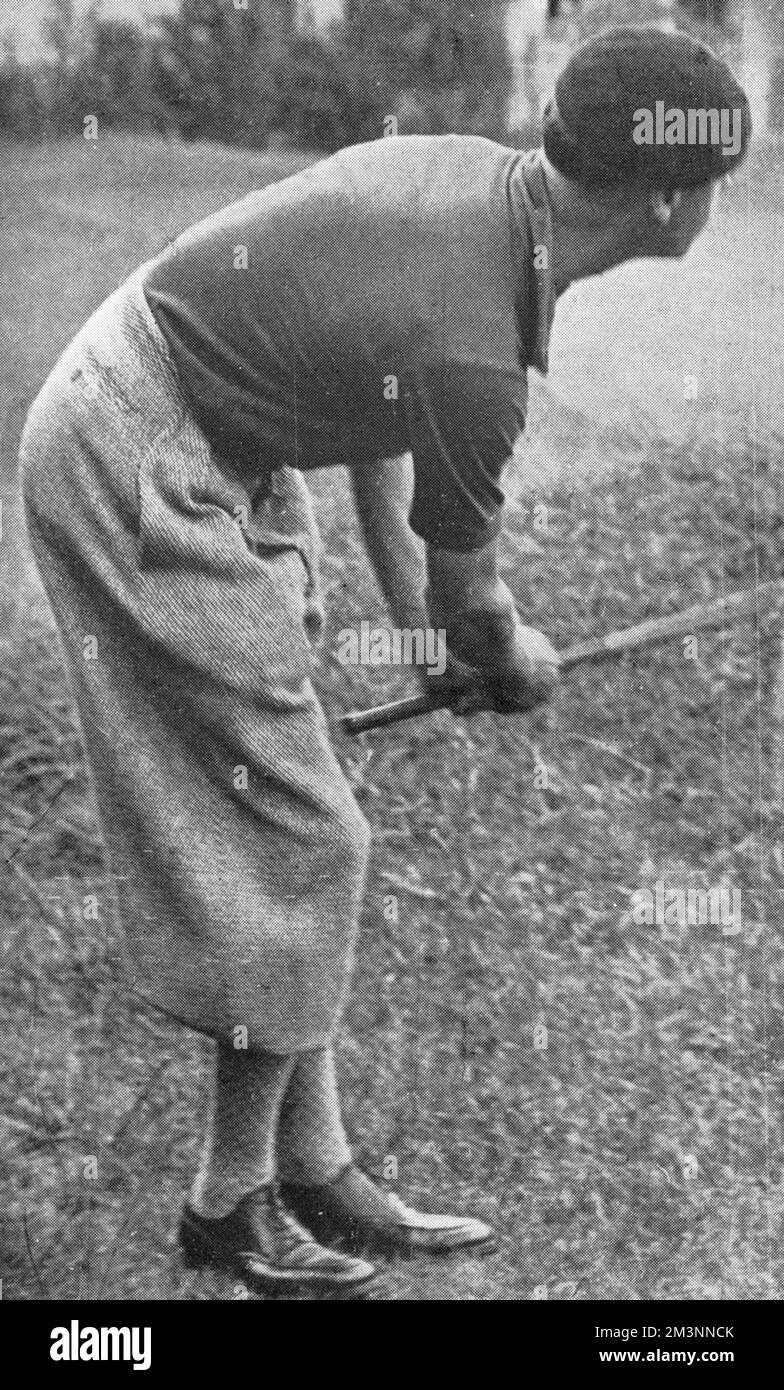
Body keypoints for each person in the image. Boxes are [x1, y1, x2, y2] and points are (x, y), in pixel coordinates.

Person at [20, 26, 751, 1296]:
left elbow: (381, 421)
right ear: (671, 199)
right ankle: (227, 1203)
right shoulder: (481, 356)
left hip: (203, 431)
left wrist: (423, 632)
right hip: (137, 459)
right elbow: (481, 596)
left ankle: (319, 1169)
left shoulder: (482, 190)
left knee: (305, 817)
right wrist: (500, 656)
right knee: (303, 838)